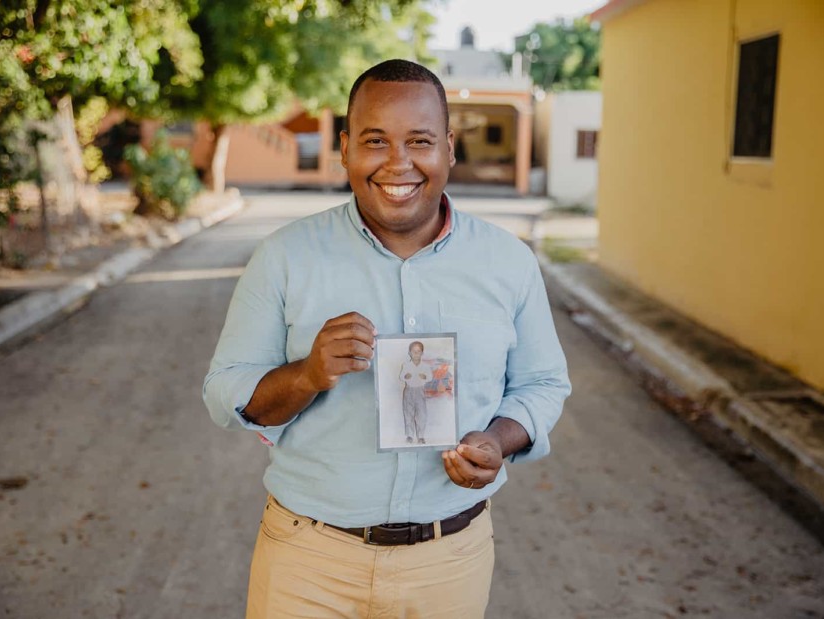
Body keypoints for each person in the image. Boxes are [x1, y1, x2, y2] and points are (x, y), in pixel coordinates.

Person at [203, 58, 571, 618]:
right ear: (345, 148)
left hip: (451, 560)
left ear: (449, 147)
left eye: (420, 140)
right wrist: (306, 375)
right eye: (376, 141)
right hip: (308, 560)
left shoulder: (508, 262)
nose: (399, 163)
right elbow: (225, 395)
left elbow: (543, 383)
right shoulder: (284, 256)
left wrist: (500, 439)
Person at [399, 340, 430, 444]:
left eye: (418, 351)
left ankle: (421, 436)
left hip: (420, 391)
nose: (416, 354)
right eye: (414, 351)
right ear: (409, 353)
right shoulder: (406, 365)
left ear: (422, 353)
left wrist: (425, 376)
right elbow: (401, 376)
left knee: (421, 414)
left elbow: (430, 377)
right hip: (409, 391)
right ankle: (409, 436)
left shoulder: (425, 366)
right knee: (408, 413)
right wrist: (405, 376)